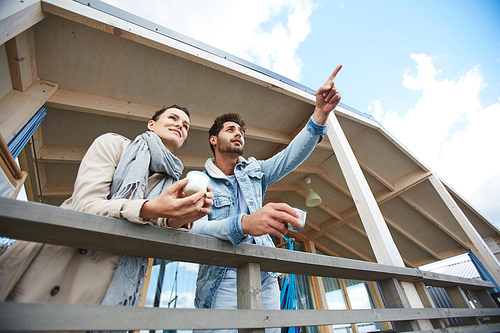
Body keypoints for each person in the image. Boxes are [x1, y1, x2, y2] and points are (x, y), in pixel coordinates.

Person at [0, 105, 213, 307]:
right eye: (173, 118)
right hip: (57, 261)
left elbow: (155, 231)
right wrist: (149, 208)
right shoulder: (113, 145)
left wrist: (178, 219)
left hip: (105, 284)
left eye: (185, 126)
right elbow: (86, 205)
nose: (180, 126)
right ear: (151, 124)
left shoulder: (172, 181)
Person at [190, 65, 342, 333]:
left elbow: (290, 156)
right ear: (214, 139)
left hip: (266, 277)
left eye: (241, 131)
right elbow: (193, 228)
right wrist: (243, 224)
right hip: (221, 278)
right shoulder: (198, 180)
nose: (238, 133)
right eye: (230, 129)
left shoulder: (255, 172)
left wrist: (319, 115)